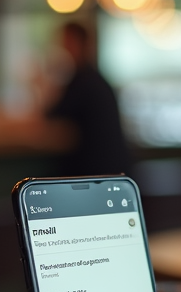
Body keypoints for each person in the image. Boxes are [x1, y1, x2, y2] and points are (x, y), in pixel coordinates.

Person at [44, 22, 133, 177]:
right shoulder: (94, 79)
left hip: (96, 173)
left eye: (66, 42)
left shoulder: (83, 82)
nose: (63, 48)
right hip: (111, 169)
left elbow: (53, 115)